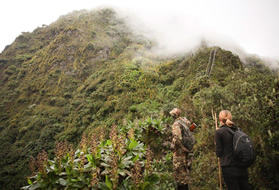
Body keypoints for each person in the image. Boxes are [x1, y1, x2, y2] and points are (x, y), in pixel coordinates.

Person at [215, 110, 250, 190]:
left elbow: (219, 153)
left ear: (220, 120)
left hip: (229, 168)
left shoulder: (219, 132)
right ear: (230, 118)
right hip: (242, 167)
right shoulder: (238, 130)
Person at [169, 108, 194, 190]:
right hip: (187, 152)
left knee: (180, 176)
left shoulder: (176, 124)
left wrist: (173, 145)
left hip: (179, 153)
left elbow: (177, 138)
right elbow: (191, 130)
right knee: (185, 174)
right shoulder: (185, 121)